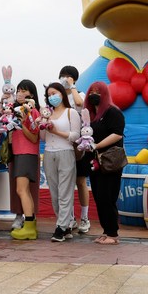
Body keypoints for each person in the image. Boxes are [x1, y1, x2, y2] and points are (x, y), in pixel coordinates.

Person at [82, 81, 125, 245]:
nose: (94, 95)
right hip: (95, 162)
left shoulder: (113, 112)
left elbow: (117, 134)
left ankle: (113, 234)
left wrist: (97, 145)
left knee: (108, 196)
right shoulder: (91, 116)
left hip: (110, 161)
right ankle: (106, 231)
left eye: (98, 92)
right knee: (99, 197)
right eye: (91, 92)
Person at [41, 82, 82, 242]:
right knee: (54, 193)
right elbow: (43, 138)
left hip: (66, 152)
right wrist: (42, 125)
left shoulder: (71, 112)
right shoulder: (47, 114)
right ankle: (65, 225)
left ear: (62, 94)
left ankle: (60, 227)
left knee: (65, 191)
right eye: (49, 95)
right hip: (49, 153)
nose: (52, 97)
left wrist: (56, 131)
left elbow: (76, 136)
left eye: (54, 93)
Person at [8, 80, 41, 241]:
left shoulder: (32, 112)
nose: (20, 93)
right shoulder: (17, 110)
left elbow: (34, 137)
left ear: (32, 95)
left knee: (21, 190)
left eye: (24, 91)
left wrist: (22, 124)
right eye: (19, 90)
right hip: (18, 153)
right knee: (24, 190)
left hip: (26, 153)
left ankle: (28, 226)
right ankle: (31, 224)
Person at [59, 65, 91, 234]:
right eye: (62, 76)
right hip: (64, 144)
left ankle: (84, 218)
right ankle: (69, 218)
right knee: (66, 183)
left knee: (80, 181)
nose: (64, 79)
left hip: (79, 145)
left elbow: (79, 104)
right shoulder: (59, 97)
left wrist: (72, 87)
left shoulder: (80, 94)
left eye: (67, 76)